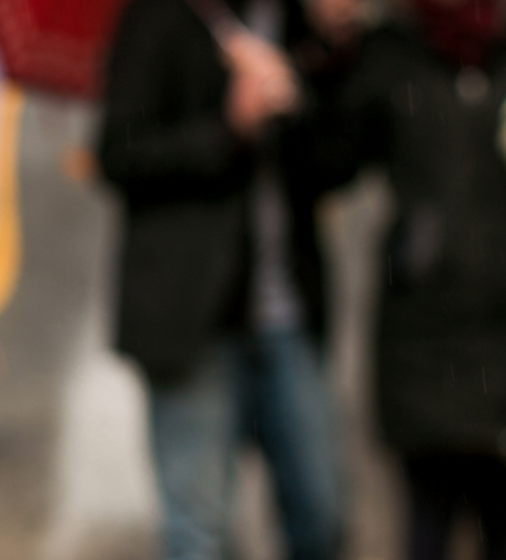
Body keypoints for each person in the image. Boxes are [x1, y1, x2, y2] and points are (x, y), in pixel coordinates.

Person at [292, 0, 506, 557]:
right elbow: (322, 163)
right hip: (421, 331)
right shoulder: (386, 56)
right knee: (428, 526)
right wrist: (325, 59)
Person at [95, 0, 346, 559]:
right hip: (192, 322)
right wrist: (228, 129)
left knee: (322, 516)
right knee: (199, 531)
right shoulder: (159, 19)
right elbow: (117, 153)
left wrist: (314, 77)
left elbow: (333, 164)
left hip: (288, 313)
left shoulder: (297, 26)